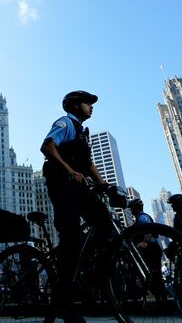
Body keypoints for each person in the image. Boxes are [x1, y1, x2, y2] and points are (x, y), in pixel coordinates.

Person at [40, 90, 112, 323]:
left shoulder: (81, 132)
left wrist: (104, 185)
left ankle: (88, 269)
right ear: (74, 105)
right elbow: (48, 146)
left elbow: (88, 163)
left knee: (105, 223)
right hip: (62, 183)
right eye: (86, 102)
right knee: (70, 236)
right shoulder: (65, 123)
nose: (91, 106)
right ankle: (63, 302)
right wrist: (70, 171)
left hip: (79, 185)